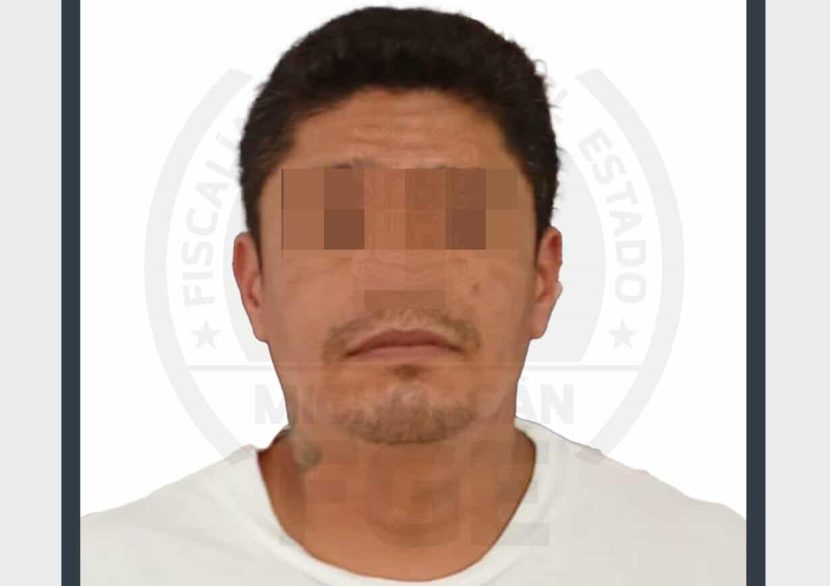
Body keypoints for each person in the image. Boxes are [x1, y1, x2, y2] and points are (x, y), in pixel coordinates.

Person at [82, 6, 745, 585]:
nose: (399, 272)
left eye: (461, 221)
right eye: (338, 222)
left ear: (542, 279)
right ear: (254, 286)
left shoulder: (721, 565)